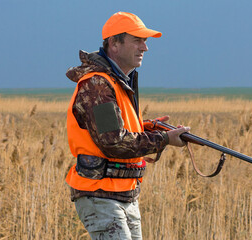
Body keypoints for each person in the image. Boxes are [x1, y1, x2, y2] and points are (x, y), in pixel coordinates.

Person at [65, 12, 189, 239]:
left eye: (145, 41)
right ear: (114, 43)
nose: (145, 48)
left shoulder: (116, 81)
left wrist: (147, 127)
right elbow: (113, 141)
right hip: (101, 194)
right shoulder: (97, 84)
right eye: (137, 40)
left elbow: (110, 128)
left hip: (123, 193)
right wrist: (164, 140)